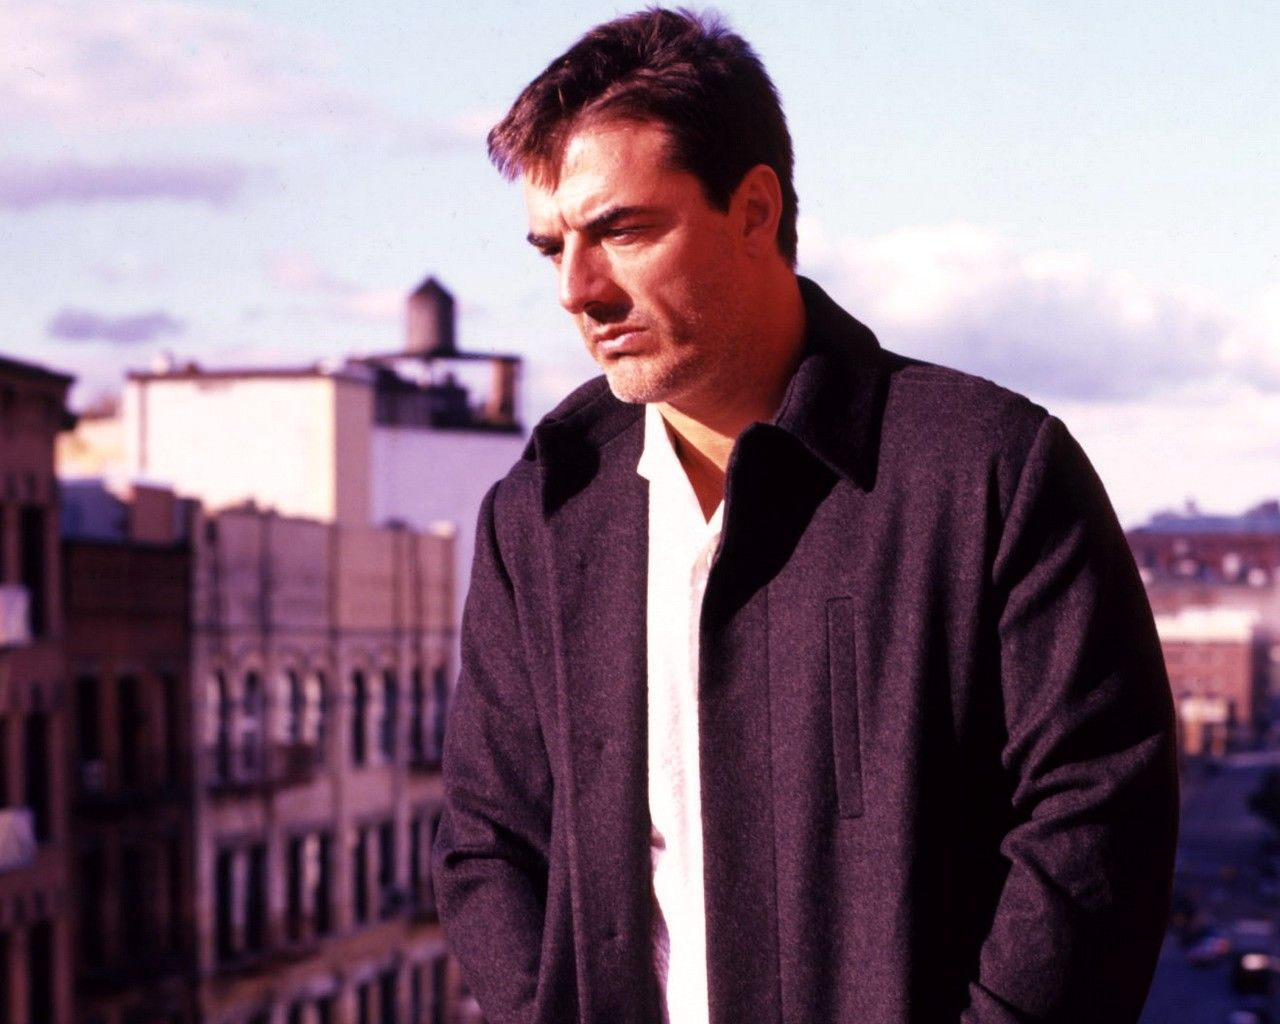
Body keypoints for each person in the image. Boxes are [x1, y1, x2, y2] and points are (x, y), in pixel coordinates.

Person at [431, 9, 1178, 1024]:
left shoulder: (990, 472)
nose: (577, 289)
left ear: (754, 209)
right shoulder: (542, 514)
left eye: (621, 231)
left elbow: (1096, 822)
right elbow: (486, 841)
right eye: (551, 246)